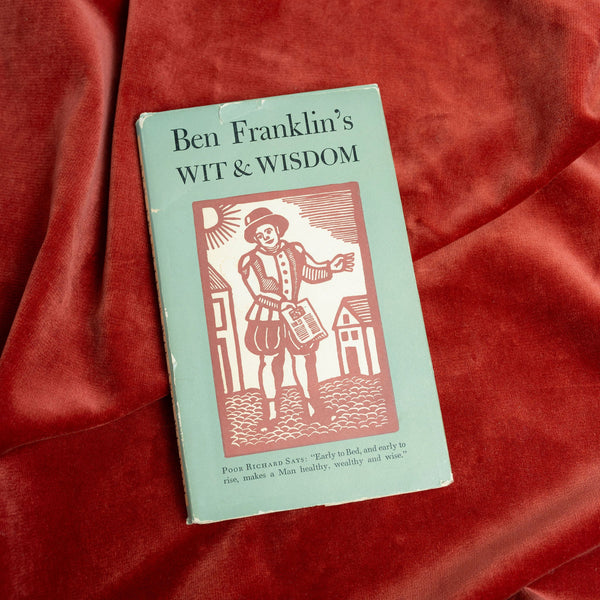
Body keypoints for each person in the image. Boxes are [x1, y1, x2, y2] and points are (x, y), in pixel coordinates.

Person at [238, 206, 353, 431]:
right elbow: (258, 294)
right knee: (270, 362)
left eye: (268, 231)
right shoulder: (250, 261)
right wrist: (280, 304)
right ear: (255, 239)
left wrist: (331, 267)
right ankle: (271, 415)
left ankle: (313, 410)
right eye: (259, 235)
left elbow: (309, 272)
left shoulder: (295, 250)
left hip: (295, 316)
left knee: (304, 359)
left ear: (277, 229)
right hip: (266, 318)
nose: (265, 237)